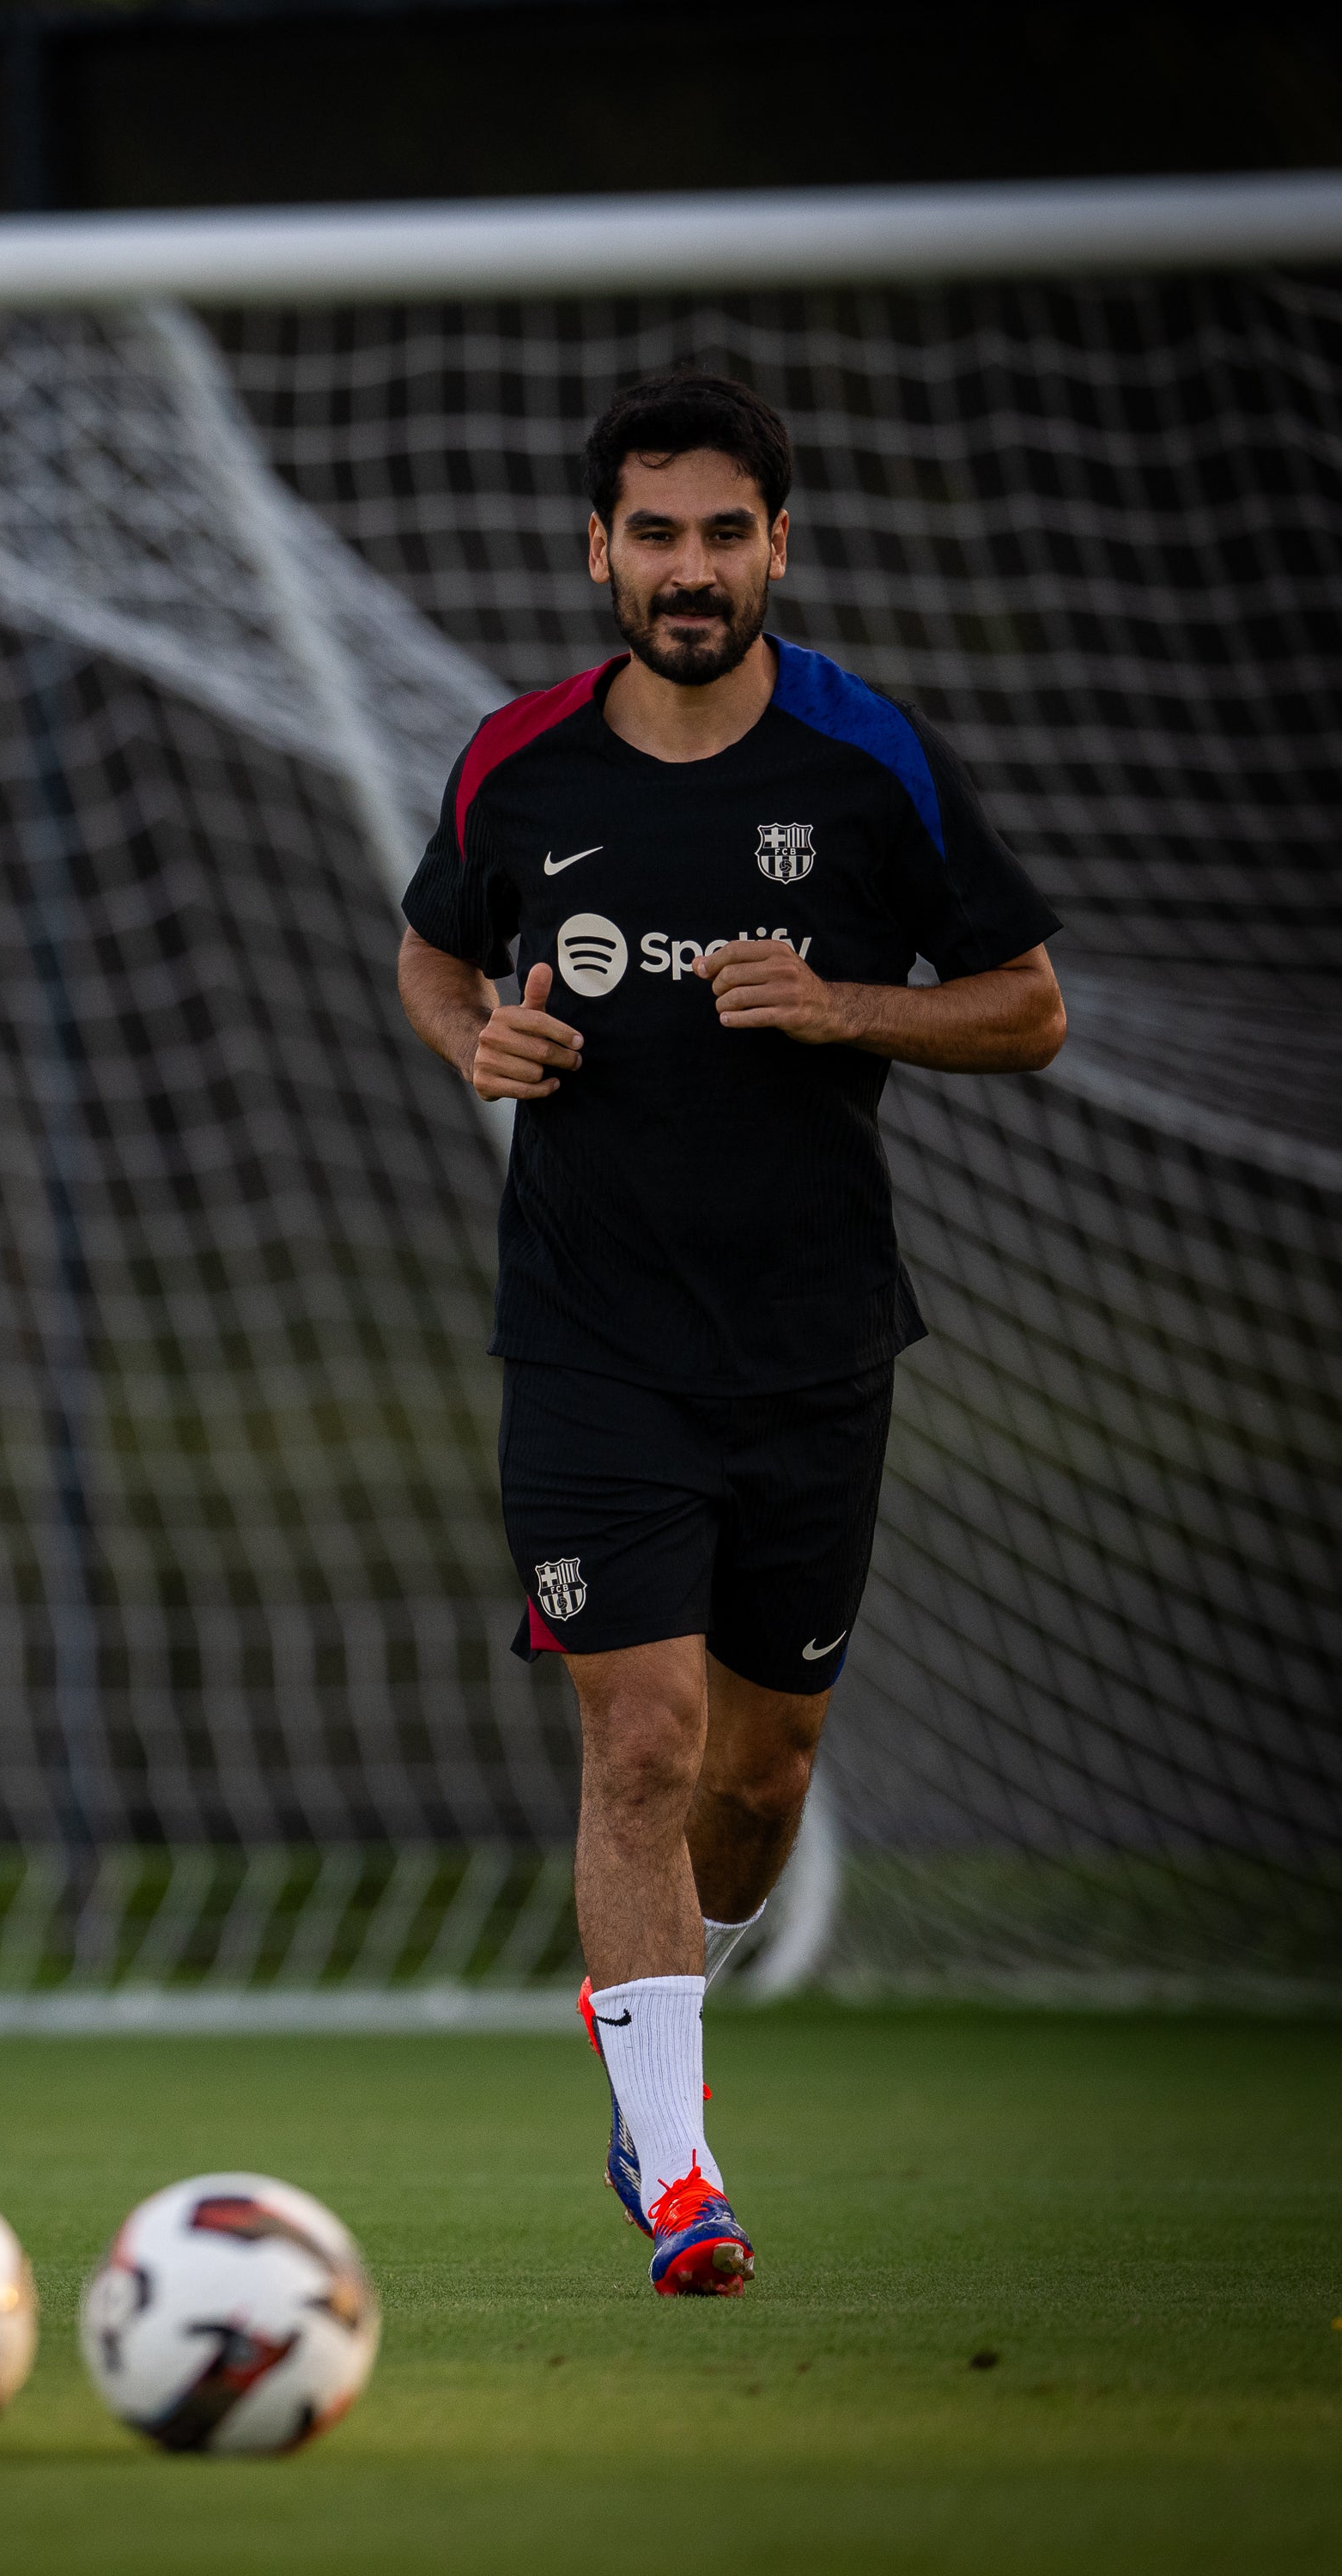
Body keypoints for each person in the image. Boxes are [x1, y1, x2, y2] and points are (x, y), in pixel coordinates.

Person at [396, 372, 1065, 2296]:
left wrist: (853, 1006)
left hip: (816, 1345)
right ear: (598, 550)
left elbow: (1027, 1009)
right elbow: (436, 949)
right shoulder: (515, 767)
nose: (691, 570)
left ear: (779, 543)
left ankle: (655, 2002)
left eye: (725, 533)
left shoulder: (871, 766)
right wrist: (476, 1042)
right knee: (642, 1743)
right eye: (655, 533)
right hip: (592, 1346)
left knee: (753, 1784)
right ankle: (678, 2174)